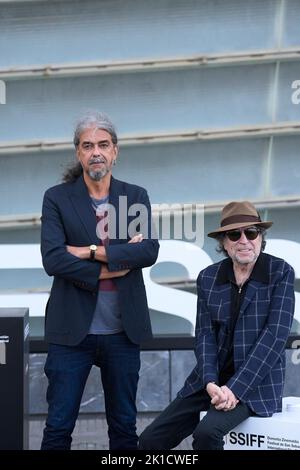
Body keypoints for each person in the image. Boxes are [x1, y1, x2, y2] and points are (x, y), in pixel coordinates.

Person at [40, 111, 159, 450]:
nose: (96, 152)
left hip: (123, 332)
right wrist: (114, 261)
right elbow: (53, 259)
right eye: (88, 145)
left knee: (123, 429)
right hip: (70, 332)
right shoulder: (57, 198)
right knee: (58, 428)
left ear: (115, 152)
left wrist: (87, 251)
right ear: (78, 152)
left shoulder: (134, 196)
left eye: (103, 145)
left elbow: (148, 251)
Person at [139, 201, 295, 450]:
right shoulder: (209, 277)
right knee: (149, 441)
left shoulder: (279, 272)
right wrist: (210, 382)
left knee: (206, 435)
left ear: (260, 237)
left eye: (251, 232)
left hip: (255, 384)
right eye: (235, 234)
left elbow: (275, 337)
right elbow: (204, 335)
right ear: (224, 242)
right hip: (210, 381)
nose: (244, 240)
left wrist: (235, 389)